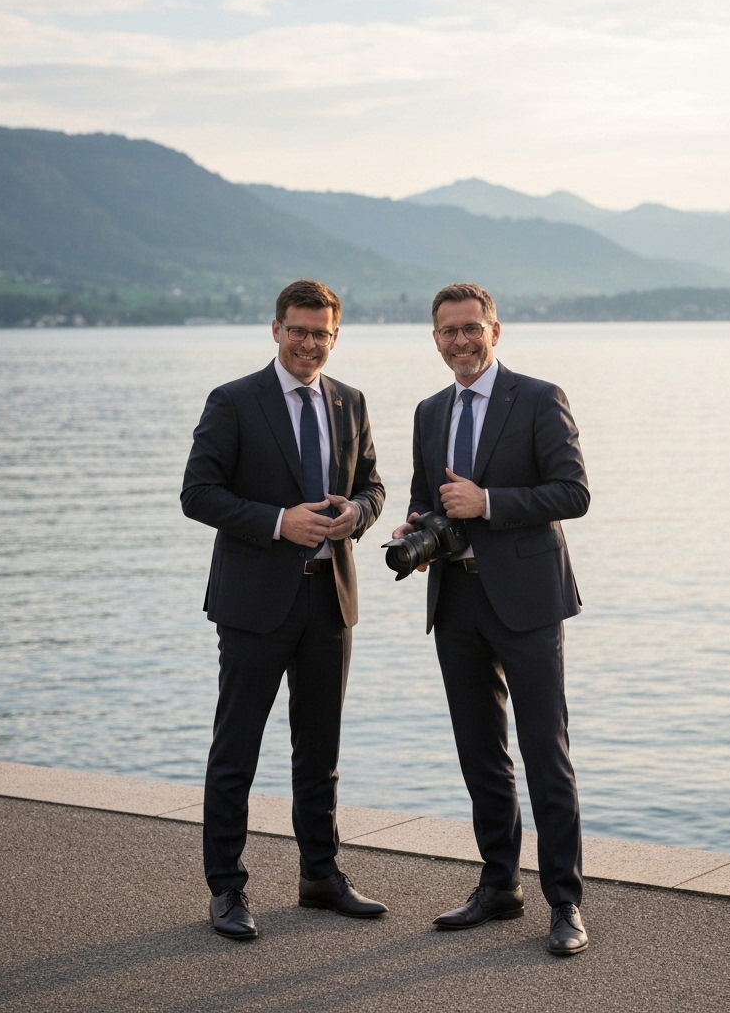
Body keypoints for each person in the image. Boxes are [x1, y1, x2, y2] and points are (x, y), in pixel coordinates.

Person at [182, 279, 387, 940]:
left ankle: (320, 876)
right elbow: (199, 493)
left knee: (319, 750)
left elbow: (374, 486)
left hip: (330, 601)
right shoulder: (234, 401)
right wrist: (277, 522)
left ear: (335, 336)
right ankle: (227, 890)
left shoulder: (350, 402)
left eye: (320, 333)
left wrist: (358, 513)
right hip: (253, 604)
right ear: (275, 330)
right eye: (297, 330)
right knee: (235, 748)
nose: (308, 343)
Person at [392, 283, 591, 955]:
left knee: (545, 756)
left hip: (529, 602)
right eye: (448, 331)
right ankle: (499, 885)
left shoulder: (539, 398)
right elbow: (429, 497)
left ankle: (564, 904)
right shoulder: (428, 411)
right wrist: (418, 528)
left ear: (495, 331)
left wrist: (489, 503)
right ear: (436, 339)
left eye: (472, 328)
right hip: (457, 600)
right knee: (481, 753)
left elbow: (573, 492)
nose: (461, 341)